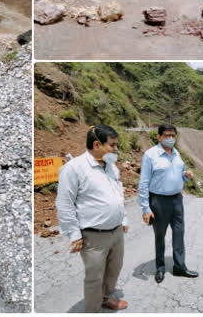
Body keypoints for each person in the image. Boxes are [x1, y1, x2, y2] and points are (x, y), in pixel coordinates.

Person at [56, 125, 129, 312]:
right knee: (94, 278)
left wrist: (124, 219)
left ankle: (106, 298)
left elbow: (118, 194)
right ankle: (93, 310)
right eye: (112, 145)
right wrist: (74, 234)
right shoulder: (74, 168)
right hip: (93, 235)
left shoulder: (111, 168)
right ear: (97, 144)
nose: (116, 150)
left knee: (114, 270)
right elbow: (64, 204)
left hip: (116, 232)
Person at [139, 124, 199, 284]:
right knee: (160, 235)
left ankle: (180, 266)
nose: (170, 138)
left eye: (173, 135)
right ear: (158, 137)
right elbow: (144, 183)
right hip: (158, 201)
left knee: (179, 233)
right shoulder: (150, 155)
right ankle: (160, 267)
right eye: (166, 135)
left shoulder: (177, 153)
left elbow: (179, 174)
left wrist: (185, 176)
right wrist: (145, 207)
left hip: (177, 200)